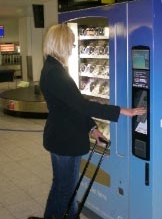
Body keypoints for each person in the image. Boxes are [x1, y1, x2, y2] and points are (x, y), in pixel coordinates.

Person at [28, 23, 146, 219]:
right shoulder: (55, 73)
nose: (73, 49)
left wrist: (92, 128)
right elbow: (82, 105)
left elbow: (73, 106)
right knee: (65, 189)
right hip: (65, 140)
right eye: (72, 44)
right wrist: (122, 111)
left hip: (62, 136)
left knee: (63, 187)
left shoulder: (53, 67)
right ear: (62, 43)